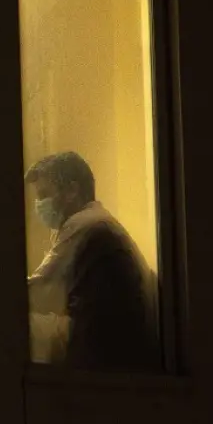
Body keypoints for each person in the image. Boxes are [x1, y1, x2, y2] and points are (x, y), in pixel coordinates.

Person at [26, 151, 159, 370]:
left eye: (44, 195)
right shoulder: (97, 221)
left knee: (11, 323)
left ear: (72, 190)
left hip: (101, 349)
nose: (39, 204)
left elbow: (39, 292)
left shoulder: (85, 224)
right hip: (112, 345)